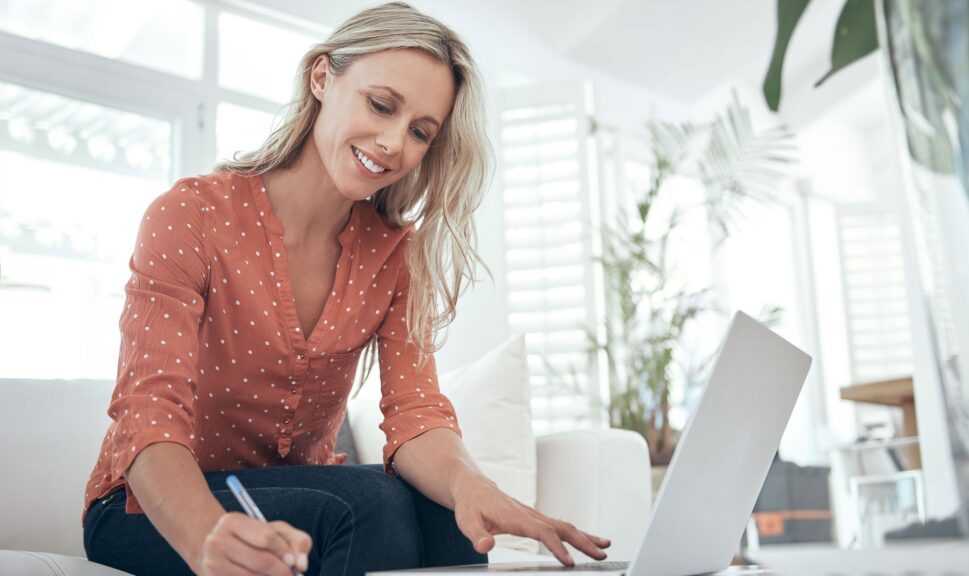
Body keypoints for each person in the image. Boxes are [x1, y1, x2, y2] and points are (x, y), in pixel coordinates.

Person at [81, 3, 612, 576]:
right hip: (148, 512)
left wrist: (473, 488)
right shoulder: (191, 215)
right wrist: (205, 532)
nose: (391, 143)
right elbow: (148, 414)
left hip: (298, 497)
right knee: (366, 504)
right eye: (380, 105)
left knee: (449, 515)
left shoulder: (394, 257)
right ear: (321, 77)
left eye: (419, 132)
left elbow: (416, 416)